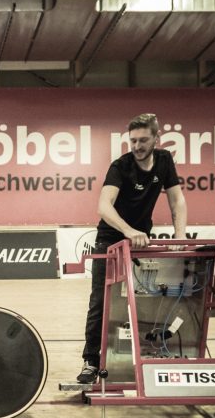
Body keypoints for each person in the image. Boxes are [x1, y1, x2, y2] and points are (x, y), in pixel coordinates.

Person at [77, 113, 188, 384]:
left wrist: (181, 238)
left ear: (156, 138)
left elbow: (178, 201)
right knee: (101, 303)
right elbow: (104, 206)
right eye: (133, 140)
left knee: (144, 300)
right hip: (111, 240)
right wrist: (128, 231)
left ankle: (142, 356)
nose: (137, 146)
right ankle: (91, 362)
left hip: (141, 241)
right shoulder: (121, 166)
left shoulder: (164, 161)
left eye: (143, 140)